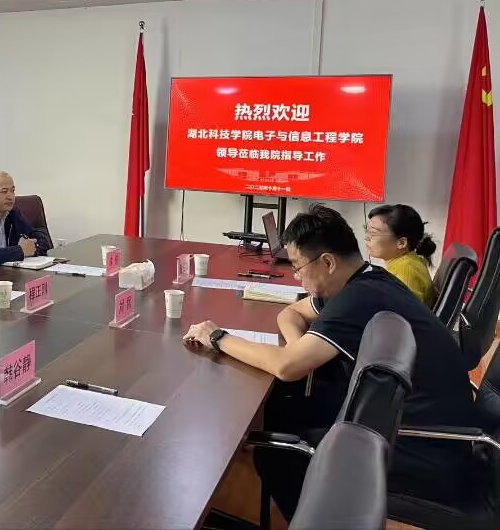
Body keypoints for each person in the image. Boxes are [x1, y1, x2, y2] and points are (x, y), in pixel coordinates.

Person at [183, 204, 475, 521]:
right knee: (284, 404)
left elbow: (286, 367)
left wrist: (218, 337)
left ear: (327, 262)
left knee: (278, 454)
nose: (297, 278)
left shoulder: (358, 299)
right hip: (401, 416)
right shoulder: (366, 279)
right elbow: (291, 313)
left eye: (298, 267)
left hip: (423, 447)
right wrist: (300, 349)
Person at [365, 203, 437, 306]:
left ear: (401, 243)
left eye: (373, 233)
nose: (367, 237)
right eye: (367, 231)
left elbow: (405, 313)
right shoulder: (409, 260)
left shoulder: (405, 271)